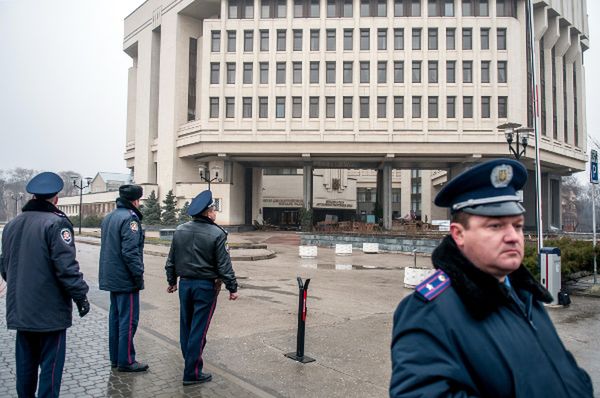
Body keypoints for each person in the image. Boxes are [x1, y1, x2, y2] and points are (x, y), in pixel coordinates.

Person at [390, 158, 594, 398]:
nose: (512, 237)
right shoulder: (429, 313)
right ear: (458, 234)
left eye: (517, 225)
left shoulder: (525, 295)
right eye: (495, 226)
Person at [0, 172, 90, 397]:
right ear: (56, 199)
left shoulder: (11, 225)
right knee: (50, 371)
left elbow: (5, 268)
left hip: (21, 310)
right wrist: (81, 297)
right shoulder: (57, 224)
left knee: (25, 368)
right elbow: (67, 269)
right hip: (50, 313)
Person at [165, 190, 239, 385]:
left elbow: (171, 260)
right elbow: (224, 265)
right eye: (213, 209)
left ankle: (190, 363)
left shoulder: (180, 230)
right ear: (207, 212)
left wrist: (172, 281)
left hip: (185, 285)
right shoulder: (217, 233)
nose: (215, 212)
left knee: (186, 327)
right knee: (199, 330)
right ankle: (192, 373)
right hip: (205, 287)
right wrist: (232, 287)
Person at [99, 184, 148, 372]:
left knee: (116, 320)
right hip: (125, 279)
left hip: (112, 278)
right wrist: (138, 274)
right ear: (135, 201)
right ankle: (126, 360)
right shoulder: (130, 219)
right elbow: (130, 252)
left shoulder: (110, 217)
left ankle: (116, 358)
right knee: (128, 322)